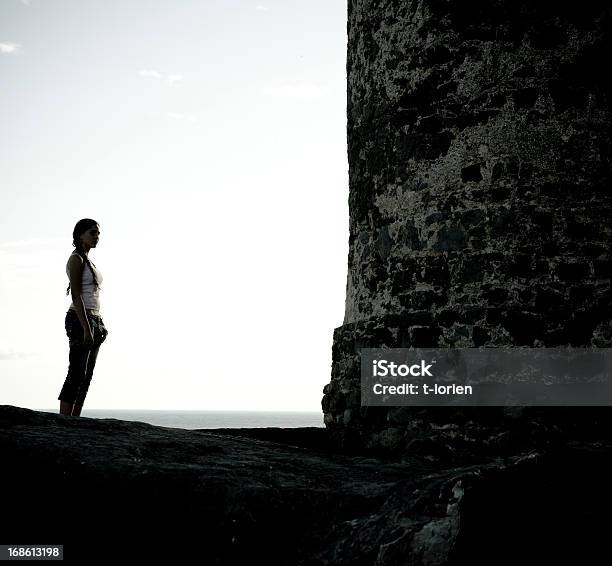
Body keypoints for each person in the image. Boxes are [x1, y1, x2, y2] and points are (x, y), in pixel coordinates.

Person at [58, 218, 108, 417]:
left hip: (95, 319)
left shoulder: (89, 260)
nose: (96, 237)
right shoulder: (76, 259)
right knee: (76, 373)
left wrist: (97, 324)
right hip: (80, 319)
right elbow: (76, 295)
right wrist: (86, 327)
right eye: (92, 233)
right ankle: (65, 420)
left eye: (98, 233)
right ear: (80, 235)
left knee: (87, 375)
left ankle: (76, 420)